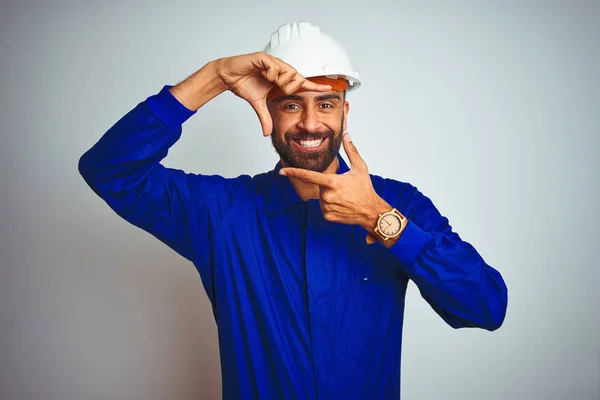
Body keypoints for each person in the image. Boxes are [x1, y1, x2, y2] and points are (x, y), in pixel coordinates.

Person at [78, 21, 508, 400]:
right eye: (290, 103)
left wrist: (382, 220)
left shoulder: (399, 204)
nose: (309, 122)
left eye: (325, 103)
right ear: (268, 110)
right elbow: (110, 169)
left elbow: (484, 307)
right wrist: (214, 77)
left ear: (344, 112)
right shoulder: (220, 212)